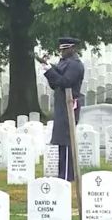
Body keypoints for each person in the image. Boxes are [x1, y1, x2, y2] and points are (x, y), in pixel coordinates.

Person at [38, 37, 85, 182]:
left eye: (65, 50)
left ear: (72, 49)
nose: (62, 52)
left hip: (69, 105)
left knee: (65, 140)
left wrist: (50, 70)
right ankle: (63, 174)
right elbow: (55, 84)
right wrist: (47, 69)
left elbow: (65, 82)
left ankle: (66, 176)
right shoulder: (64, 63)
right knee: (61, 141)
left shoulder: (76, 65)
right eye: (61, 50)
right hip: (61, 104)